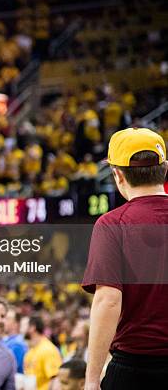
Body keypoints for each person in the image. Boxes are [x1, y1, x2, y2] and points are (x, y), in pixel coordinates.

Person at [81, 128, 168, 390]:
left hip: (136, 368)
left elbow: (108, 300)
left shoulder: (112, 224)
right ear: (164, 168)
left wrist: (92, 378)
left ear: (117, 174)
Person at [23, 315, 62, 390]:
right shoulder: (31, 350)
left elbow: (55, 379)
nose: (21, 328)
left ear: (32, 327)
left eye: (24, 325)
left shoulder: (48, 350)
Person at [2, 307, 28, 374]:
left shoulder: (17, 344)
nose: (3, 321)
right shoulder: (5, 341)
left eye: (8, 319)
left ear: (16, 324)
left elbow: (8, 370)